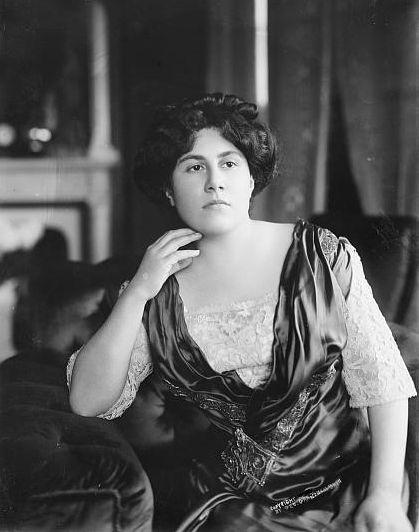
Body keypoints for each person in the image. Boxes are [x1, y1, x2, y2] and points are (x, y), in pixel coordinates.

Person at [67, 93, 416, 531]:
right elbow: (86, 401)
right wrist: (137, 292)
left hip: (353, 488)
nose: (215, 182)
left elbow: (382, 382)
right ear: (169, 190)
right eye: (194, 167)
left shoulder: (323, 256)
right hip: (239, 507)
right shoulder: (156, 293)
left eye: (229, 163)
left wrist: (384, 496)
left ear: (251, 178)